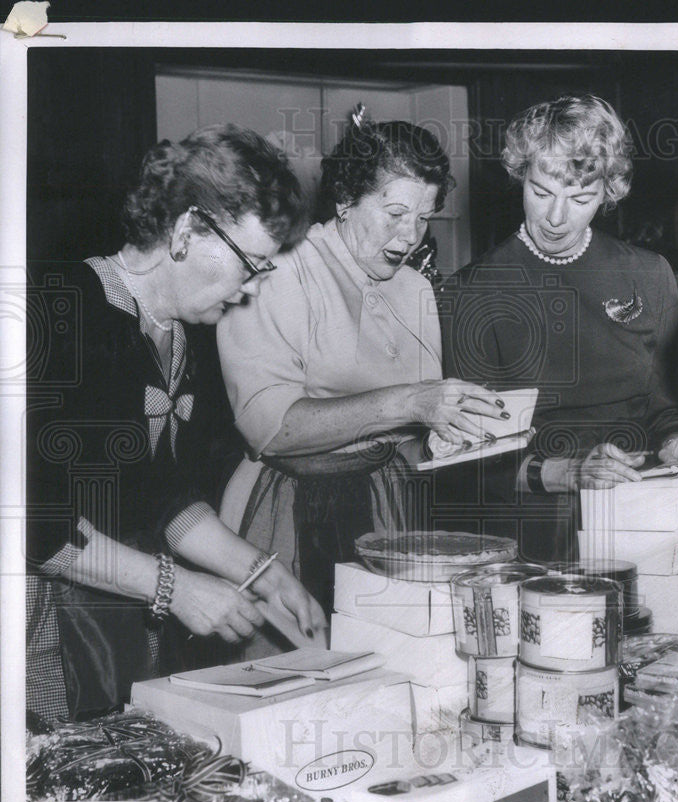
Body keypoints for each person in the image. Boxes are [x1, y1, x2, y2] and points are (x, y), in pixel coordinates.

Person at [26, 124, 327, 723]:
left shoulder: (179, 337)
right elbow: (33, 517)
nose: (249, 291)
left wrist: (264, 575)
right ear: (187, 230)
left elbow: (159, 495)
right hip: (41, 623)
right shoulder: (57, 310)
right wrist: (176, 589)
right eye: (250, 265)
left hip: (116, 612)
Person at [217, 112, 505, 617]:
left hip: (385, 508)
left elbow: (411, 442)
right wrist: (410, 402)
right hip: (285, 509)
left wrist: (458, 434)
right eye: (394, 213)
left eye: (424, 218)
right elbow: (272, 430)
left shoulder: (415, 288)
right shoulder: (282, 269)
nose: (411, 235)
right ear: (346, 198)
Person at [439, 95, 678, 563]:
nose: (555, 217)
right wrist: (568, 473)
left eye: (581, 198)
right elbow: (472, 466)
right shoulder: (470, 292)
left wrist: (676, 442)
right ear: (519, 176)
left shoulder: (649, 275)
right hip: (536, 529)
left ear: (609, 192)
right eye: (541, 191)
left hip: (645, 511)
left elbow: (668, 407)